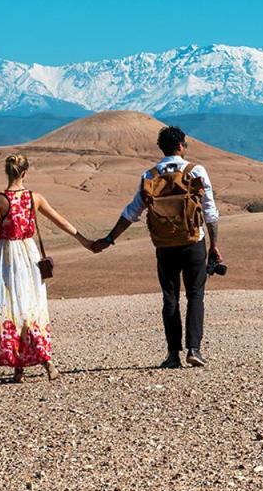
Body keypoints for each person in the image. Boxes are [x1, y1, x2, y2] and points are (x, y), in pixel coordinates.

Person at [91, 126, 223, 368]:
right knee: (195, 295)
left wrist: (109, 239)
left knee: (169, 297)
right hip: (193, 242)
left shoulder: (150, 176)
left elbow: (131, 213)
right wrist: (214, 245)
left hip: (164, 246)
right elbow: (210, 211)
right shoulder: (196, 171)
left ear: (162, 148)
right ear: (182, 146)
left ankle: (173, 354)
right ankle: (194, 349)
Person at [0, 153, 93, 383]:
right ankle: (44, 362)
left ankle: (21, 367)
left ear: (8, 172)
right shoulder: (35, 198)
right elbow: (60, 220)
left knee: (15, 309)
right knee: (34, 308)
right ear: (25, 173)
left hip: (9, 258)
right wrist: (85, 241)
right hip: (30, 255)